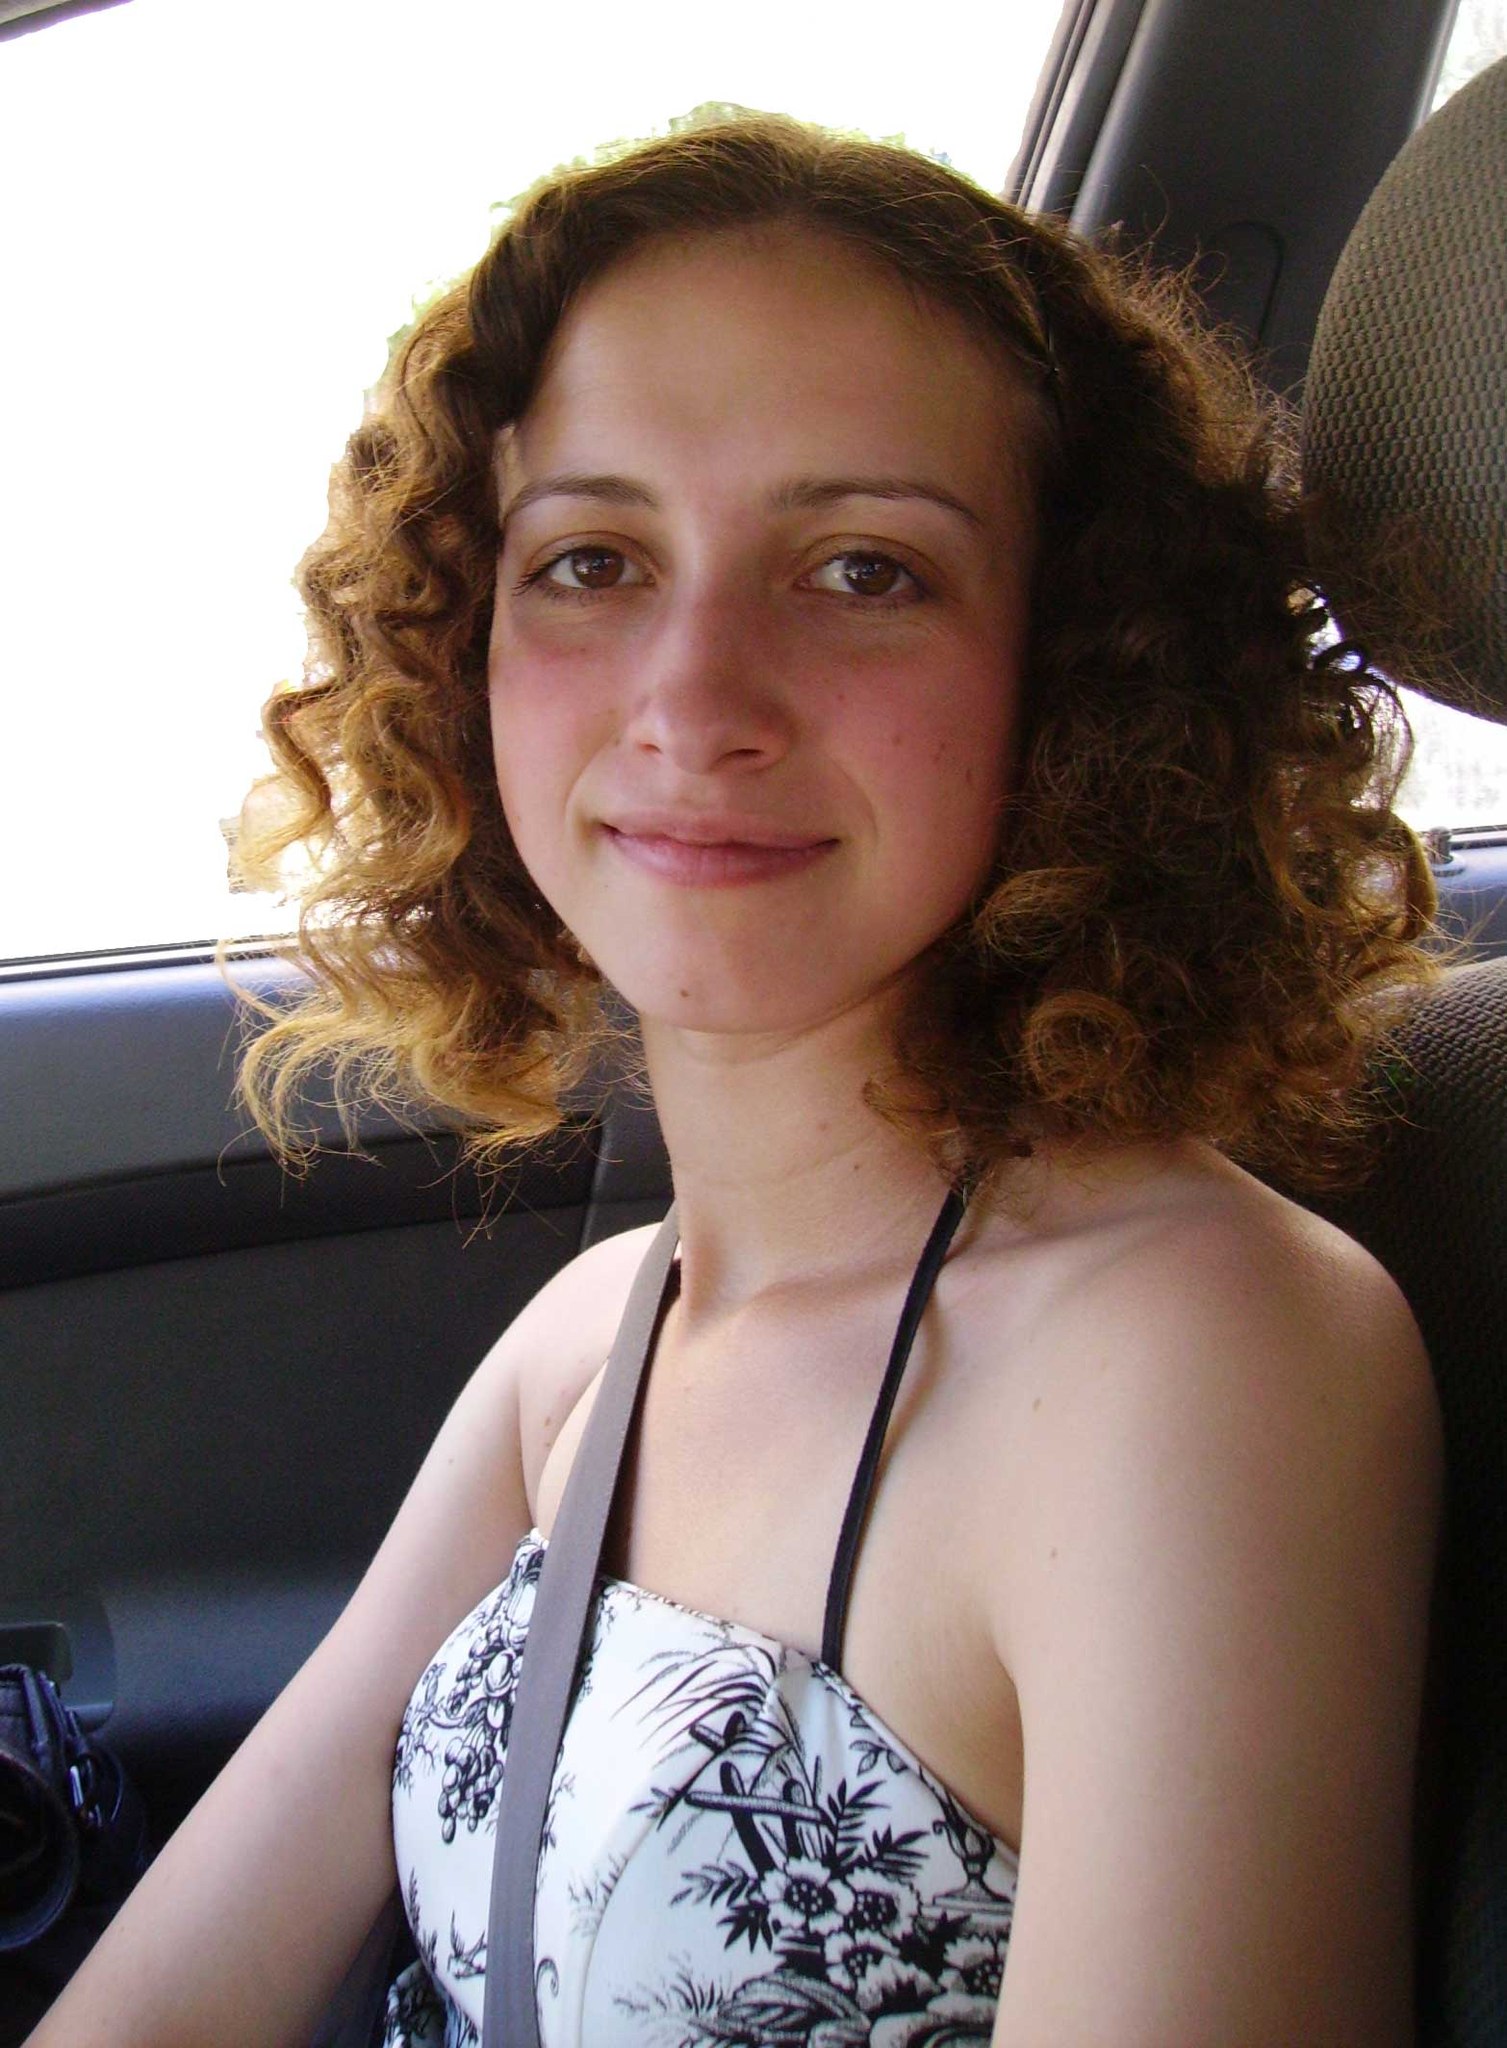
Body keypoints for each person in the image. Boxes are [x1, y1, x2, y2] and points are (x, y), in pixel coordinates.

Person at [31, 112, 1443, 2047]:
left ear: (1080, 674)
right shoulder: (590, 1343)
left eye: (864, 569)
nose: (693, 698)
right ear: (466, 648)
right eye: (592, 560)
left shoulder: (1195, 1355)